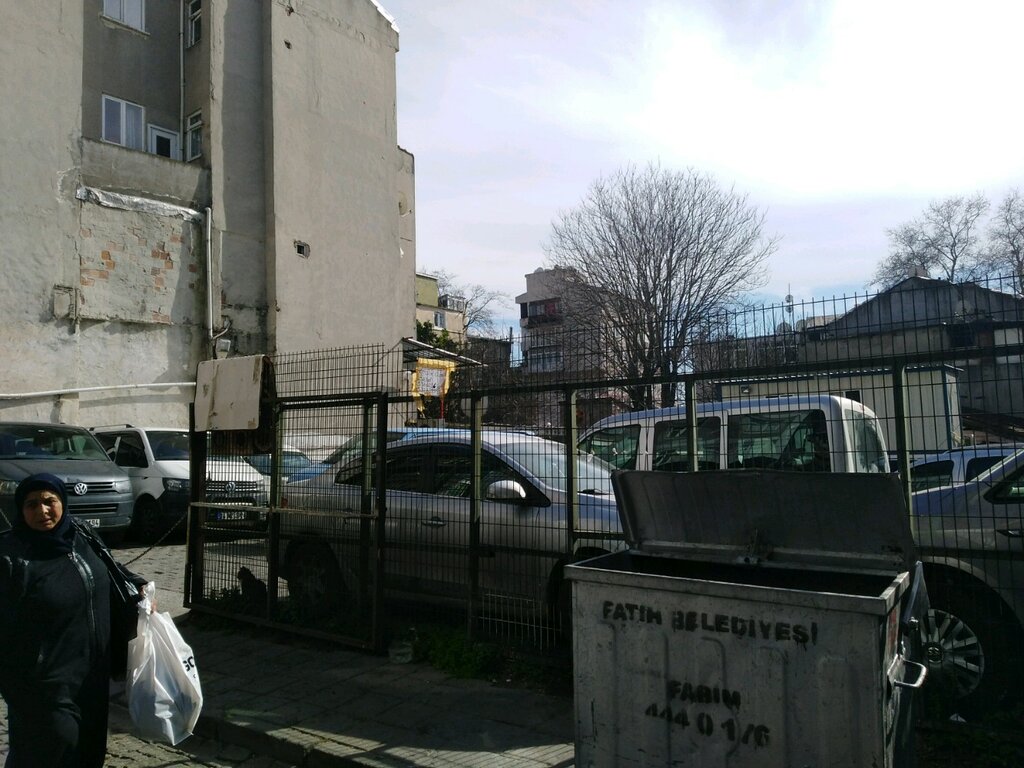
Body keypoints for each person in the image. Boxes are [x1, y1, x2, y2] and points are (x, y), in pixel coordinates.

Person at [0, 473, 146, 767]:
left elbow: (110, 567)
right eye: (31, 504)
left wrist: (138, 586)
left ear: (63, 503)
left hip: (92, 675)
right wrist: (16, 688)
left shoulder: (80, 533)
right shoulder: (10, 556)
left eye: (49, 501)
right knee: (47, 751)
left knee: (89, 752)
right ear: (21, 509)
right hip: (44, 686)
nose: (42, 511)